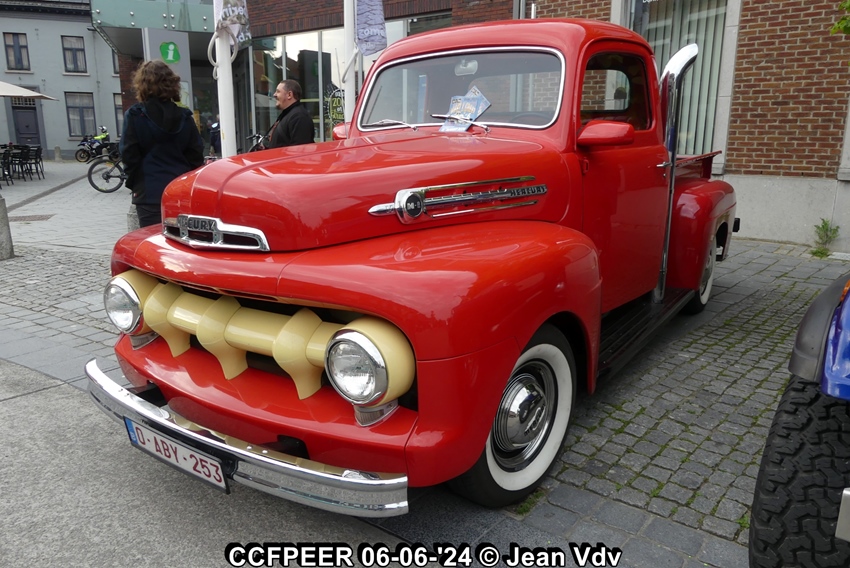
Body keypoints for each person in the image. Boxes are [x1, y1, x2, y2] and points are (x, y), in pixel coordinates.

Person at [120, 60, 204, 228]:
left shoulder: (135, 115)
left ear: (142, 85)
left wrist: (135, 183)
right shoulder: (185, 116)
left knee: (151, 239)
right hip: (179, 191)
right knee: (179, 240)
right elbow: (196, 156)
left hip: (148, 192)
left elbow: (129, 155)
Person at [267, 80, 314, 148]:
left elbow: (300, 150)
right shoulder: (289, 114)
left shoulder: (299, 117)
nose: (274, 95)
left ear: (289, 95)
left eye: (278, 91)